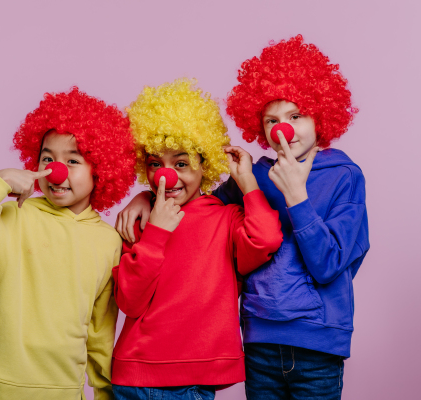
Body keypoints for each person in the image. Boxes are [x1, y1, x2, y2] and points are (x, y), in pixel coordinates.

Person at [115, 36, 370, 400]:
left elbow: (329, 264)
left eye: (296, 116)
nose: (284, 129)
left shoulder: (345, 176)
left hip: (318, 339)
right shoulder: (254, 175)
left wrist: (297, 198)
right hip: (259, 338)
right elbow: (196, 203)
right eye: (271, 120)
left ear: (321, 113)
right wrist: (144, 196)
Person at [0, 87, 136, 400]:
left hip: (62, 391)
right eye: (47, 158)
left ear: (100, 168)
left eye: (72, 160)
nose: (54, 171)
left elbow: (101, 328)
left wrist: (104, 390)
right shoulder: (11, 215)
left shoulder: (108, 241)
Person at [111, 79, 283, 400]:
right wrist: (156, 232)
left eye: (181, 163)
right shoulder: (140, 220)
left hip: (192, 381)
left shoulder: (225, 217)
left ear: (205, 166)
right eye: (154, 164)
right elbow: (129, 301)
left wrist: (246, 182)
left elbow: (266, 240)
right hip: (134, 376)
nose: (167, 176)